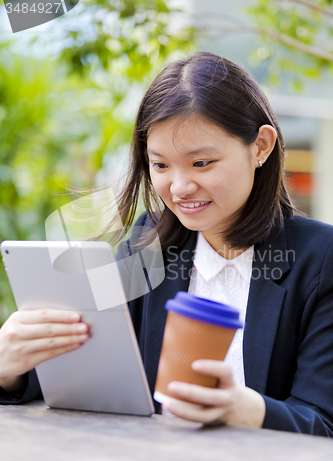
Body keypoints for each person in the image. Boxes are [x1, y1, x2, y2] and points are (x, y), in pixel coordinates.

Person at [1, 52, 333, 436]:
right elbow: (94, 371)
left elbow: (323, 421)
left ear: (260, 146)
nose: (179, 188)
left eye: (201, 163)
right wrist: (11, 367)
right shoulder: (151, 242)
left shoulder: (320, 259)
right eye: (160, 165)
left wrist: (244, 409)